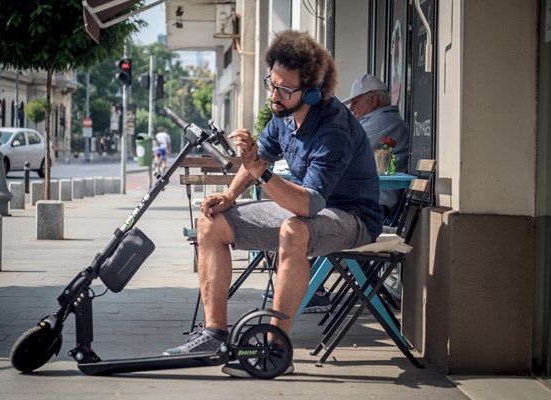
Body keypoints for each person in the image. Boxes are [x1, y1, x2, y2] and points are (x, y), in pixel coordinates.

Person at [163, 30, 383, 378]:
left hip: (352, 216)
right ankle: (213, 334)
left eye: (284, 89)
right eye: (272, 83)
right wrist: (229, 196)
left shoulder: (333, 127)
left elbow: (309, 205)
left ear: (311, 91)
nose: (274, 95)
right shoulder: (281, 114)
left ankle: (273, 347)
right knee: (211, 221)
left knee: (294, 230)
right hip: (308, 206)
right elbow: (260, 157)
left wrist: (259, 172)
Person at [343, 73, 410, 219]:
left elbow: (341, 150)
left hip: (378, 203)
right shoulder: (384, 120)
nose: (352, 108)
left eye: (355, 102)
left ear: (373, 101)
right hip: (374, 199)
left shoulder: (380, 123)